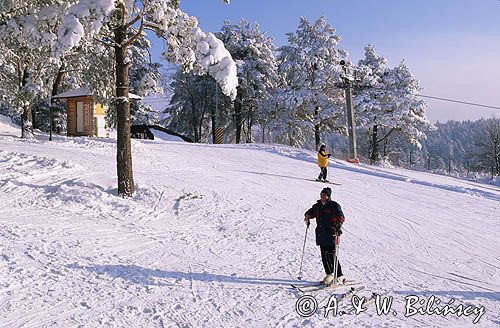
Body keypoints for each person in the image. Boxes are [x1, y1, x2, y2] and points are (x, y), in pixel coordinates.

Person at [304, 187, 346, 285]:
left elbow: (340, 216)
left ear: (328, 196)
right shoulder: (318, 206)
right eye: (321, 194)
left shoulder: (334, 205)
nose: (322, 196)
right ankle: (329, 274)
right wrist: (307, 215)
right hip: (321, 234)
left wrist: (338, 224)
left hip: (331, 233)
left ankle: (339, 276)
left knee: (332, 256)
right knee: (324, 255)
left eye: (324, 195)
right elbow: (311, 212)